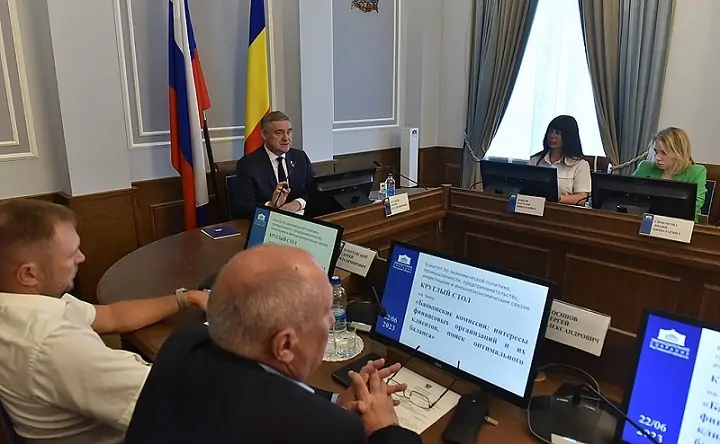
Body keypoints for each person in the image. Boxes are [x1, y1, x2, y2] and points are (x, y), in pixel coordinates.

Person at [125, 245, 421, 444]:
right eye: (325, 313)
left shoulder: (183, 343)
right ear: (285, 346)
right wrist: (383, 430)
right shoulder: (328, 431)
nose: (332, 320)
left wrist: (335, 404)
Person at [0, 199, 209, 444]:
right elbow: (177, 402)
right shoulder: (53, 343)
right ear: (28, 274)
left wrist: (187, 298)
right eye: (71, 255)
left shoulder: (26, 305)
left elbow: (111, 316)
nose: (82, 257)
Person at [233, 111, 315, 218]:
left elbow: (314, 190)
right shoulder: (247, 165)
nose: (286, 138)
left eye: (289, 132)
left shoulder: (300, 157)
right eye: (279, 133)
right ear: (264, 134)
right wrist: (271, 205)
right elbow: (242, 206)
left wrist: (298, 203)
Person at [632, 127, 707, 221]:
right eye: (656, 151)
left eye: (664, 153)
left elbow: (695, 205)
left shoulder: (697, 172)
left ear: (679, 153)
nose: (657, 158)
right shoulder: (645, 167)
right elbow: (629, 195)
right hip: (643, 219)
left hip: (679, 223)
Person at [530, 115, 592, 205]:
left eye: (557, 133)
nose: (552, 136)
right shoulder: (535, 160)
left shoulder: (580, 164)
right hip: (533, 207)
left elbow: (582, 198)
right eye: (550, 131)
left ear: (568, 137)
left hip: (563, 210)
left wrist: (555, 198)